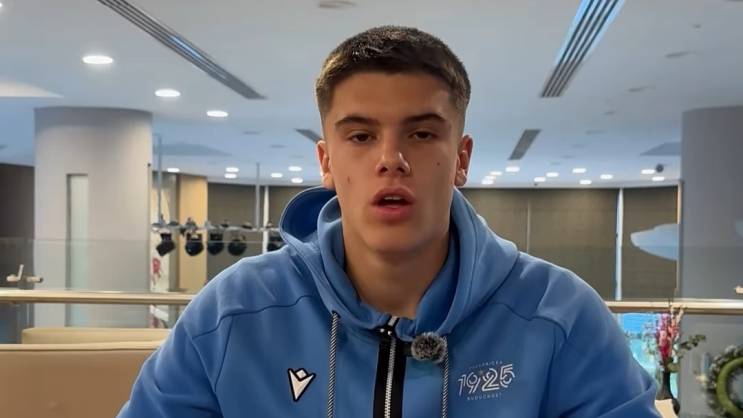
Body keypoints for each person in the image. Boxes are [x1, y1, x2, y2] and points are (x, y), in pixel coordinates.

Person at [118, 26, 660, 418]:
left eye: (421, 134)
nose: (390, 160)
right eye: (360, 136)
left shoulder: (559, 316)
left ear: (462, 158)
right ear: (326, 161)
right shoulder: (233, 313)